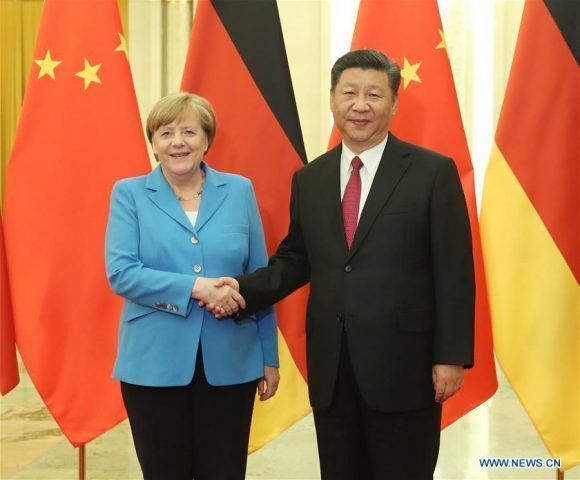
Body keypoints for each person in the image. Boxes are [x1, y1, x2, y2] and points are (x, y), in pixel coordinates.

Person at [199, 49, 475, 479]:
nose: (360, 105)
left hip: (405, 367)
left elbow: (454, 271)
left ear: (394, 103)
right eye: (349, 92)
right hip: (332, 367)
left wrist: (451, 356)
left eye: (374, 94)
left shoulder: (432, 172)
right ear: (332, 99)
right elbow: (296, 259)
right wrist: (239, 291)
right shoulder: (311, 178)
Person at [105, 92, 279, 480]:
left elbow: (260, 276)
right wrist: (196, 288)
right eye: (166, 133)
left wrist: (269, 355)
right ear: (153, 142)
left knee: (225, 470)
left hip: (233, 361)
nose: (178, 142)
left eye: (189, 131)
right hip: (153, 364)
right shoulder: (129, 194)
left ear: (207, 139)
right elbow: (122, 272)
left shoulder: (239, 190)